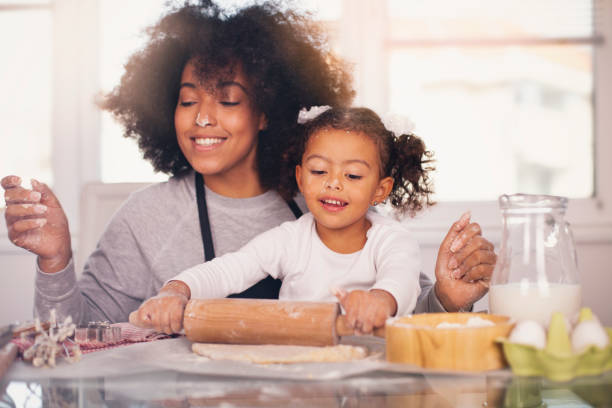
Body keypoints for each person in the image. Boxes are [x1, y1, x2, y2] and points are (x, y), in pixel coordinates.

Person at [1, 0, 495, 326]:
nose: (203, 119)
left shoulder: (327, 197)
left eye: (229, 101)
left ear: (266, 112)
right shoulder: (144, 218)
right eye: (188, 99)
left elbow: (405, 313)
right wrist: (55, 260)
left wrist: (450, 299)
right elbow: (71, 339)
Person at [132, 106, 434, 334]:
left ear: (380, 190)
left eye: (352, 175)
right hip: (301, 378)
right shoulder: (290, 240)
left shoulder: (393, 241)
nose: (333, 183)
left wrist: (379, 301)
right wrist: (176, 291)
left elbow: (402, 281)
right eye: (319, 171)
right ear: (301, 179)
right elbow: (230, 269)